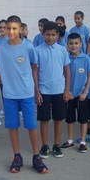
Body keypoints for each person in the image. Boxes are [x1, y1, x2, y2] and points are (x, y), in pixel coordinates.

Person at [0, 15, 48, 174]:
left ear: (21, 29)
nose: (11, 31)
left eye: (14, 28)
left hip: (27, 93)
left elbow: (34, 68)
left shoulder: (28, 47)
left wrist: (37, 91)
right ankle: (17, 156)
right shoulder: (1, 49)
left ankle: (36, 157)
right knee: (12, 126)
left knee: (31, 125)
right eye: (8, 28)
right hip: (9, 95)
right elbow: (1, 71)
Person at [35, 20, 72, 159]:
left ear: (57, 35)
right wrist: (36, 91)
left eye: (53, 35)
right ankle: (45, 146)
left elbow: (67, 71)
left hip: (59, 91)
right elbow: (34, 73)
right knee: (44, 119)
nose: (50, 37)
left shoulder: (62, 50)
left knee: (58, 118)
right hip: (44, 91)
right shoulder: (37, 50)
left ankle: (56, 145)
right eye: (47, 34)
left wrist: (67, 90)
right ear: (43, 34)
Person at [62, 33, 90, 153]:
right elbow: (63, 75)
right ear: (67, 45)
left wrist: (85, 92)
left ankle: (82, 142)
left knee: (83, 119)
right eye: (71, 43)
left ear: (80, 44)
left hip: (81, 95)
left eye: (76, 43)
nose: (73, 46)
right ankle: (70, 140)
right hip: (69, 95)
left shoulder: (85, 58)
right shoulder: (66, 58)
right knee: (70, 118)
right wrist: (66, 91)